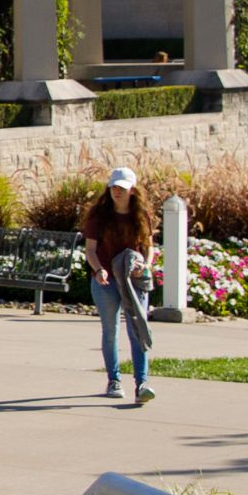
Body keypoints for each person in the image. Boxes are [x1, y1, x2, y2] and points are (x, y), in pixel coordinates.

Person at [82, 168, 156, 406]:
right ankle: (114, 380)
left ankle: (141, 384)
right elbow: (90, 250)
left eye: (122, 188)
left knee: (137, 330)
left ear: (132, 190)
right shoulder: (99, 216)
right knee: (111, 331)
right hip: (106, 281)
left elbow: (149, 247)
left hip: (133, 281)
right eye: (113, 186)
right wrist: (98, 269)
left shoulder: (141, 215)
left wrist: (145, 266)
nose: (116, 191)